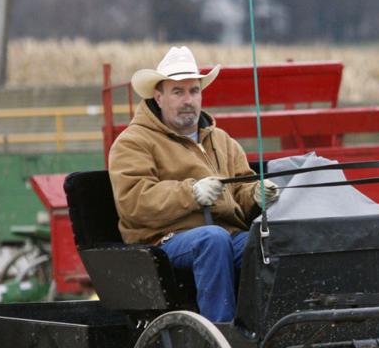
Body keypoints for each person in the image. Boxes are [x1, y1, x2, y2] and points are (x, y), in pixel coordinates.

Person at [108, 46, 278, 323]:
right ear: (158, 97)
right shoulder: (132, 142)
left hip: (225, 236)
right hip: (162, 242)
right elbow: (134, 203)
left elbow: (240, 191)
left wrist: (257, 195)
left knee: (268, 241)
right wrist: (192, 192)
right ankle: (221, 334)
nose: (188, 100)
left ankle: (269, 327)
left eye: (194, 91)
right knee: (212, 239)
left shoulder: (222, 140)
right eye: (178, 92)